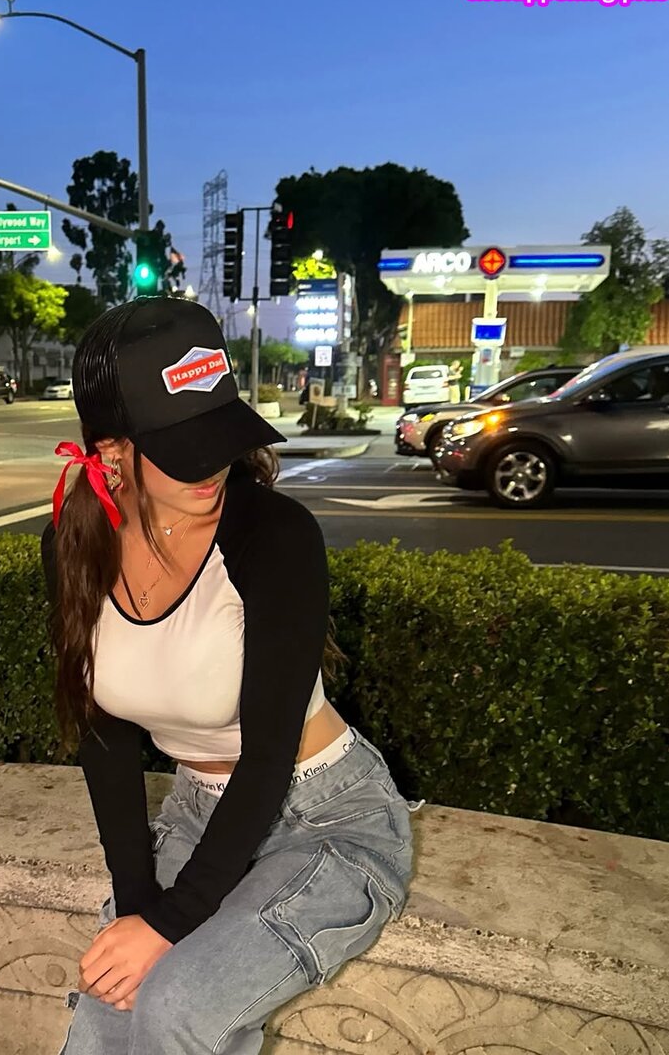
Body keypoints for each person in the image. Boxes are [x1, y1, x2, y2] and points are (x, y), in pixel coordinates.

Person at [41, 296, 417, 1055]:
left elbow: (268, 753)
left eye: (221, 435)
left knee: (178, 1004)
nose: (212, 466)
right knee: (109, 1005)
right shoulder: (72, 545)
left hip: (332, 818)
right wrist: (138, 904)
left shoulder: (273, 535)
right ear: (110, 449)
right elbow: (103, 737)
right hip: (200, 813)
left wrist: (169, 923)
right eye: (185, 449)